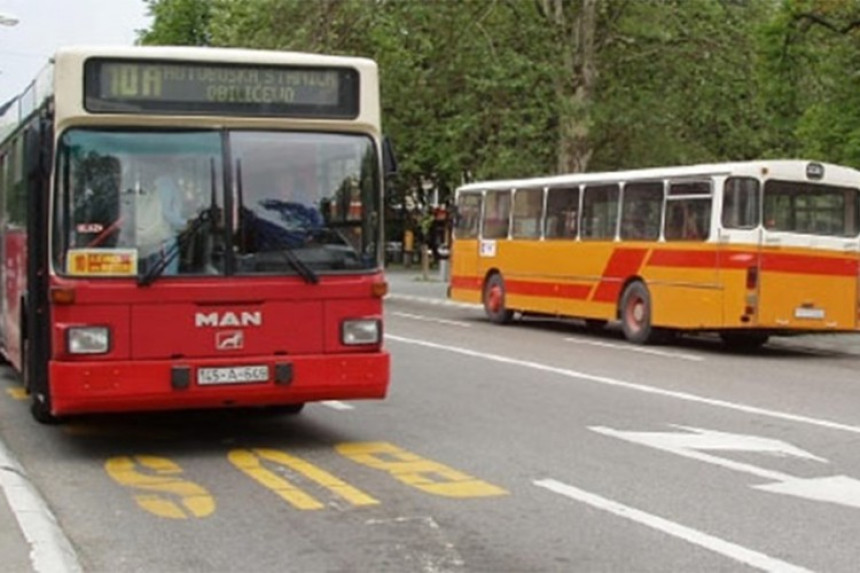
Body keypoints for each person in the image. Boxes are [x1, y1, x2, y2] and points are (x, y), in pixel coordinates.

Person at [135, 167, 187, 274]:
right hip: (164, 241)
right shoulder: (166, 184)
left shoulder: (156, 184)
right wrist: (186, 223)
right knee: (167, 280)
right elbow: (166, 211)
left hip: (152, 241)